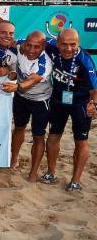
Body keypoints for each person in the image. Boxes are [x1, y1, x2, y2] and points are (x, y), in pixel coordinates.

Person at [40, 29, 97, 191]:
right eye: (64, 44)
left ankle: (76, 180)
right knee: (53, 135)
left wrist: (94, 104)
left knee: (81, 140)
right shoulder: (50, 46)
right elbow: (29, 40)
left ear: (78, 44)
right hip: (58, 99)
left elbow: (95, 90)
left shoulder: (85, 61)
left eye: (73, 45)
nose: (68, 48)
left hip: (80, 103)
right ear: (57, 43)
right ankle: (51, 173)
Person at [0, 31, 52, 181]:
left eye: (36, 47)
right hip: (22, 98)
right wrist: (11, 71)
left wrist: (17, 86)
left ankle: (33, 172)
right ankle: (13, 159)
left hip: (40, 101)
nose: (31, 50)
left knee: (38, 136)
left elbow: (32, 81)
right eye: (29, 45)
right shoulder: (19, 46)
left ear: (44, 46)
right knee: (19, 128)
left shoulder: (44, 64)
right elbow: (11, 46)